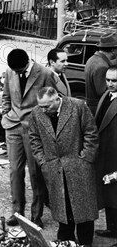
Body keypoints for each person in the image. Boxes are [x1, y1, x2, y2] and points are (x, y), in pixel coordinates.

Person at [29, 87, 98, 247]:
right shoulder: (37, 112)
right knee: (62, 208)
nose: (44, 110)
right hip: (54, 168)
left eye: (47, 106)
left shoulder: (78, 106)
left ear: (56, 99)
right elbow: (34, 138)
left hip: (79, 167)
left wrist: (86, 158)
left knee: (83, 210)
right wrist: (43, 161)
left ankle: (86, 242)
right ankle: (66, 241)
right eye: (41, 106)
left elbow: (91, 133)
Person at [2, 48, 54, 227]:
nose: (16, 73)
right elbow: (6, 96)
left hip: (35, 131)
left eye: (19, 70)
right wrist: (5, 113)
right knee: (15, 171)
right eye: (14, 71)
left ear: (27, 63)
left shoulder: (45, 73)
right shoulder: (10, 71)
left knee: (35, 173)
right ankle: (16, 213)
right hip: (13, 126)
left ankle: (36, 216)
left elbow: (52, 101)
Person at [94, 66, 117, 239]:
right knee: (109, 195)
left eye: (114, 81)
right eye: (108, 80)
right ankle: (112, 229)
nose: (110, 84)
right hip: (105, 154)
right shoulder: (106, 95)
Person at [85, 33, 117, 115]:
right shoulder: (102, 66)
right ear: (113, 50)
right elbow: (105, 92)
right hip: (99, 109)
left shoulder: (92, 59)